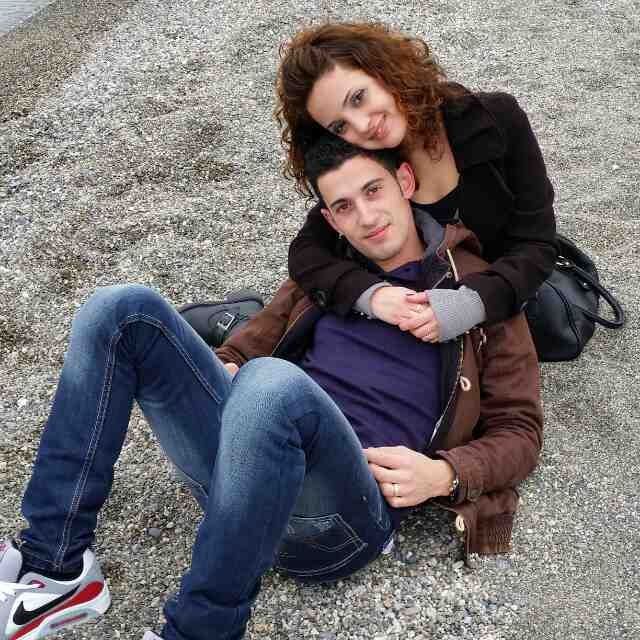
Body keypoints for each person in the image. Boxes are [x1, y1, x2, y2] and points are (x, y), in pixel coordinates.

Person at [0, 136, 542, 640]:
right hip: (241, 474)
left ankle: (201, 630)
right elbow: (249, 344)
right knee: (120, 308)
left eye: (373, 191)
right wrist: (223, 367)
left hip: (341, 514)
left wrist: (444, 474)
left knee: (271, 382)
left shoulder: (479, 293)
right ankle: (55, 564)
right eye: (345, 206)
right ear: (330, 218)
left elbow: (520, 429)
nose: (366, 216)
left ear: (404, 181)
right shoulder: (329, 273)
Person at [276, 21, 557, 344]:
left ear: (383, 70)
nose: (362, 126)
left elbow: (537, 244)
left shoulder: (495, 118)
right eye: (340, 127)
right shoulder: (366, 162)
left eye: (358, 98)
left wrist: (470, 304)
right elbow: (306, 253)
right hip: (411, 323)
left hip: (497, 314)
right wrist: (373, 296)